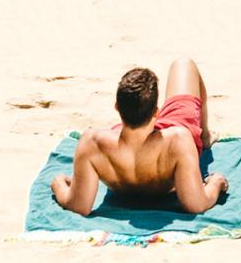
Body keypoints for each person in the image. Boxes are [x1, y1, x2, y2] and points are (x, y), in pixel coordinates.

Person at [51, 58, 228, 215]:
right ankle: (205, 136)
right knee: (183, 64)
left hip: (121, 163)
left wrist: (58, 184)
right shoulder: (179, 139)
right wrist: (216, 183)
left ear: (117, 107)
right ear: (156, 113)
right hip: (167, 147)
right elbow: (197, 204)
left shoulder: (93, 143)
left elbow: (79, 206)